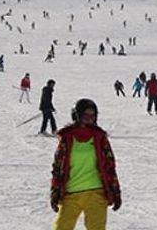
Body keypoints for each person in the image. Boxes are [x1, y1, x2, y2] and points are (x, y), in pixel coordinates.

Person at [49, 98, 122, 230]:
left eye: (92, 115)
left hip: (96, 193)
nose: (89, 118)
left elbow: (110, 166)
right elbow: (58, 167)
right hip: (71, 193)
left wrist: (116, 192)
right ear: (77, 115)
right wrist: (54, 191)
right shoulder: (67, 137)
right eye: (86, 115)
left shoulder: (99, 137)